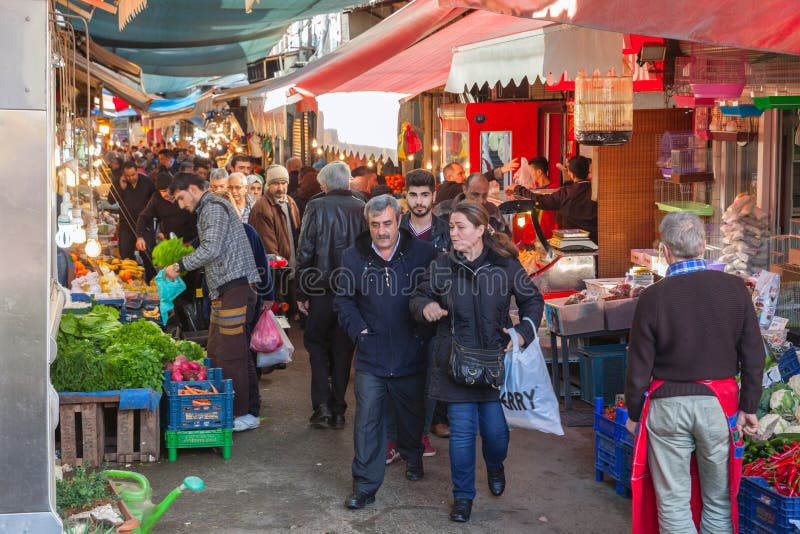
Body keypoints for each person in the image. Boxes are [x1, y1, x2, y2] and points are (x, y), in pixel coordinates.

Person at [624, 212, 764, 534]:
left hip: (667, 407)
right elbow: (753, 354)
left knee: (673, 502)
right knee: (718, 499)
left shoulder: (652, 297)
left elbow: (638, 365)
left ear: (665, 251)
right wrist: (750, 406)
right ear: (703, 246)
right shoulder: (735, 289)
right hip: (719, 407)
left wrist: (634, 412)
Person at [410, 201, 544, 523]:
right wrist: (425, 307)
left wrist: (522, 332)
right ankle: (463, 497)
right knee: (462, 433)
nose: (452, 233)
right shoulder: (442, 266)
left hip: (494, 361)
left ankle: (495, 465)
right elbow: (418, 297)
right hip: (455, 361)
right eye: (451, 227)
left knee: (497, 434)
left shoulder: (506, 266)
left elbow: (532, 300)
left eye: (460, 227)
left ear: (481, 230)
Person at [334, 195, 437, 510]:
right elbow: (344, 301)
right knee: (367, 423)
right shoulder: (353, 257)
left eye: (387, 224)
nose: (381, 231)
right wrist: (360, 331)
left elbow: (434, 293)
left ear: (399, 220)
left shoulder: (423, 254)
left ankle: (414, 457)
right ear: (368, 224)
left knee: (411, 418)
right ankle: (364, 486)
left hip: (411, 353)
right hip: (371, 356)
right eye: (375, 224)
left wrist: (422, 335)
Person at [165, 173, 261, 432]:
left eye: (182, 198)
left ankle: (243, 413)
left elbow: (212, 249)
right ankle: (247, 408)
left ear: (193, 189)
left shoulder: (213, 208)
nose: (182, 205)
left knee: (231, 352)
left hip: (235, 286)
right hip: (225, 288)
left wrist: (179, 265)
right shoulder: (209, 208)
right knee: (221, 347)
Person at [296, 161, 365, 429]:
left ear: (324, 185)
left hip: (320, 289)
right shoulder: (362, 207)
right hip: (351, 290)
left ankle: (322, 405)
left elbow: (305, 250)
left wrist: (301, 290)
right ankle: (338, 409)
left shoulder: (315, 206)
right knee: (343, 349)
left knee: (315, 344)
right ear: (348, 182)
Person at [391, 169, 452, 456]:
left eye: (424, 195)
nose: (418, 201)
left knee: (430, 379)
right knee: (396, 378)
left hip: (435, 315)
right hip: (398, 312)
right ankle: (393, 439)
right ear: (405, 196)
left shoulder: (447, 231)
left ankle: (420, 435)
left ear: (434, 196)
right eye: (413, 195)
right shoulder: (394, 227)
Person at [248, 165, 300, 316]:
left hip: (289, 269)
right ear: (269, 185)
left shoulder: (290, 202)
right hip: (275, 273)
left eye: (284, 183)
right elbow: (268, 248)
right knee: (276, 317)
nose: (281, 187)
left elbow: (297, 233)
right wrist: (279, 272)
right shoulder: (262, 208)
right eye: (276, 183)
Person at [509, 154, 597, 243]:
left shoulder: (565, 193)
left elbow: (540, 201)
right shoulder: (597, 192)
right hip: (596, 241)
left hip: (573, 242)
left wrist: (517, 189)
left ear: (571, 174)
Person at [135, 172, 198, 260]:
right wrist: (140, 237)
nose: (165, 194)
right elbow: (144, 216)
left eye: (167, 190)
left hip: (191, 241)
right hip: (171, 243)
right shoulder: (156, 198)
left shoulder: (184, 193)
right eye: (162, 191)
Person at [109, 160, 156, 270]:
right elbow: (110, 200)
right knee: (126, 257)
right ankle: (131, 283)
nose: (131, 178)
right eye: (128, 175)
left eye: (133, 174)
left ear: (137, 171)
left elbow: (154, 201)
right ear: (123, 174)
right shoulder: (118, 182)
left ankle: (151, 281)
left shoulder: (147, 181)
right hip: (126, 225)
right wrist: (121, 188)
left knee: (148, 257)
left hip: (145, 225)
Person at [435, 173, 509, 234]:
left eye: (484, 195)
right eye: (475, 194)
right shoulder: (443, 209)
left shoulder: (493, 211)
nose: (480, 200)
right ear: (464, 189)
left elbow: (506, 241)